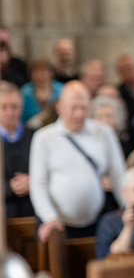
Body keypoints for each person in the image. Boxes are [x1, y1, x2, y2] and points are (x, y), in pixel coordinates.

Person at [29, 81, 126, 240]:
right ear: (59, 107)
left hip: (97, 221)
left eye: (84, 108)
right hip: (58, 225)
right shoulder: (43, 138)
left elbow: (119, 175)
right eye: (73, 108)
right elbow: (38, 184)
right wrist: (50, 217)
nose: (79, 114)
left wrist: (127, 206)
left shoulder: (104, 133)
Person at [1, 82, 34, 219]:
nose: (10, 112)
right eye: (4, 107)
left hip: (32, 213)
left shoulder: (35, 136)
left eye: (14, 107)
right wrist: (10, 187)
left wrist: (33, 182)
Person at [20, 60, 63, 125]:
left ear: (51, 73)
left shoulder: (61, 90)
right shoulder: (25, 92)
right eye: (36, 72)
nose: (40, 76)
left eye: (43, 72)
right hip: (30, 128)